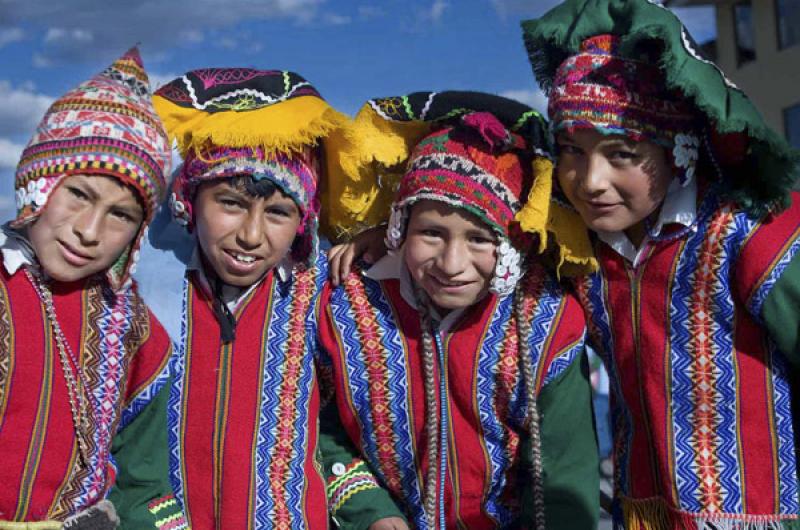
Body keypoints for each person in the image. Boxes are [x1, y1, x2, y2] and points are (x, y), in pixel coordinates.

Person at [521, 1, 800, 528]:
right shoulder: (580, 249)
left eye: (621, 153)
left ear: (678, 150)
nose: (591, 180)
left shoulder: (747, 231)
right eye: (571, 151)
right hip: (641, 513)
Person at [131, 68, 401, 529]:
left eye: (278, 212)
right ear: (190, 200)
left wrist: (373, 512)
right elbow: (122, 453)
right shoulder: (147, 292)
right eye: (230, 203)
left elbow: (328, 433)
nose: (251, 236)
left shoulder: (321, 296)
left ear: (304, 218)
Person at [318, 91, 599, 529]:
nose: (452, 265)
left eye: (480, 239)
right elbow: (321, 429)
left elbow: (564, 473)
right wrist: (371, 512)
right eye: (431, 232)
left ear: (513, 243)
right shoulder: (346, 304)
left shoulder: (547, 319)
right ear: (399, 226)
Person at [0, 48, 177, 529]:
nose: (90, 230)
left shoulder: (133, 325)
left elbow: (144, 480)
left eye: (121, 215)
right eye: (79, 194)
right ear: (39, 181)